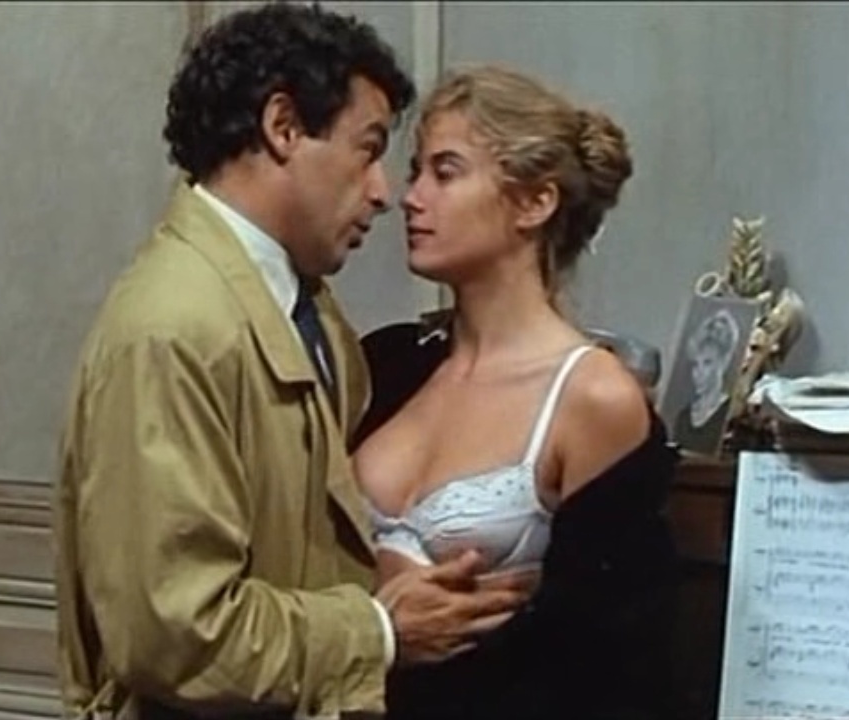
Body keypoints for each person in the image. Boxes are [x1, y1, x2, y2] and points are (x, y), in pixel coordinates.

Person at [53, 6, 530, 720]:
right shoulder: (173, 328)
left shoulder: (306, 310)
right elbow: (173, 634)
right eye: (367, 150)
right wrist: (379, 632)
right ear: (283, 127)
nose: (384, 192)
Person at [352, 66, 679, 720]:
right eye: (415, 172)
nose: (410, 198)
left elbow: (613, 664)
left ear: (535, 203)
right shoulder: (387, 363)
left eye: (445, 173)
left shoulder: (592, 396)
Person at [673, 309, 741, 454]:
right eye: (695, 365)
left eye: (707, 363)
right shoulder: (683, 417)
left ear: (723, 363)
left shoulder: (730, 414)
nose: (699, 373)